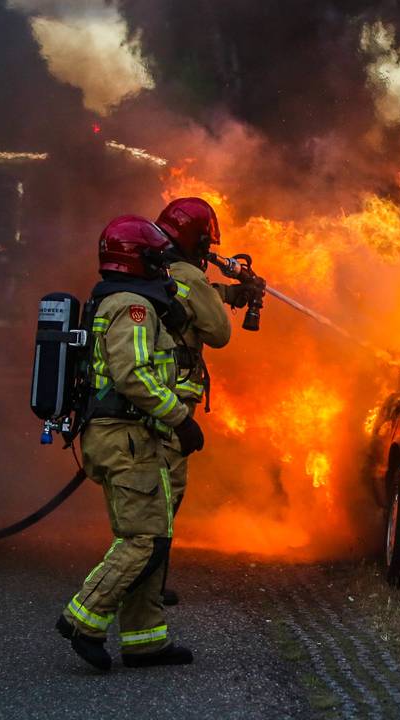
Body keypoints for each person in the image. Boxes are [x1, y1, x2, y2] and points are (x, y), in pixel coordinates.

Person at [55, 215, 205, 671]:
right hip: (126, 439)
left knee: (156, 537)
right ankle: (83, 618)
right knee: (143, 539)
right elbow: (133, 375)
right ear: (135, 259)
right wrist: (181, 419)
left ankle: (145, 641)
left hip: (136, 437)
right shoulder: (130, 307)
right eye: (156, 258)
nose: (163, 266)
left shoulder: (128, 301)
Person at [153, 197, 262, 606]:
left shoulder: (158, 268)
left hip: (150, 399)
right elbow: (217, 333)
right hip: (172, 402)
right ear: (196, 241)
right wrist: (227, 300)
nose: (208, 252)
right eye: (206, 244)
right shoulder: (186, 274)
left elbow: (188, 300)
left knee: (153, 490)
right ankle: (147, 583)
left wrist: (232, 294)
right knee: (165, 494)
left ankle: (147, 578)